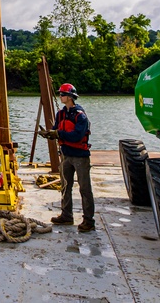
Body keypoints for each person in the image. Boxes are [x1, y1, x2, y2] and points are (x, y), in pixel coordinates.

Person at [40, 83, 95, 231]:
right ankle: (66, 216)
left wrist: (58, 134)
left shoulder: (80, 116)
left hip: (80, 157)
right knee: (65, 186)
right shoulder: (61, 114)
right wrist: (49, 134)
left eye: (63, 94)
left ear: (70, 97)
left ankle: (88, 221)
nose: (60, 96)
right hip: (65, 155)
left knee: (85, 189)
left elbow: (77, 136)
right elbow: (56, 130)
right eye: (60, 94)